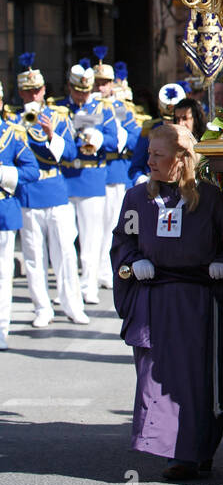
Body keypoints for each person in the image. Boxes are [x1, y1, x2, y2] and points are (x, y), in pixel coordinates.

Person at [111, 123, 223, 479]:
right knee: (157, 377)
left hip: (198, 301)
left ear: (181, 159)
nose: (148, 160)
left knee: (197, 380)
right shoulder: (137, 198)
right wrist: (132, 261)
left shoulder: (213, 198)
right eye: (149, 153)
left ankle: (198, 450)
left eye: (157, 154)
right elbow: (123, 241)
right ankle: (172, 451)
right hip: (154, 300)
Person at [13, 54, 89, 328]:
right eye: (28, 90)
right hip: (30, 193)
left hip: (56, 190)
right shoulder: (13, 120)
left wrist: (51, 134)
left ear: (44, 89)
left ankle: (72, 304)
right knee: (34, 256)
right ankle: (41, 307)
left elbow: (70, 152)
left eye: (38, 89)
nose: (34, 94)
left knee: (65, 252)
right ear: (21, 92)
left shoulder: (58, 115)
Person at [56, 62, 119, 305]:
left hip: (92, 179)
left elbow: (115, 140)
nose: (81, 95)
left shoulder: (102, 109)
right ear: (70, 87)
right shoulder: (60, 108)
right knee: (64, 239)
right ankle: (67, 290)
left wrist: (99, 137)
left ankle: (88, 285)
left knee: (91, 239)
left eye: (85, 90)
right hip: (66, 177)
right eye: (77, 90)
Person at [92, 49, 141, 269]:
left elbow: (133, 138)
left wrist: (109, 139)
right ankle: (96, 270)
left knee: (113, 223)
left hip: (115, 170)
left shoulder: (121, 108)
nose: (100, 87)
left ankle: (108, 268)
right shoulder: (89, 107)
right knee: (93, 228)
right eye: (96, 83)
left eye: (104, 83)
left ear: (111, 84)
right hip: (93, 173)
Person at [0, 85, 40, 349]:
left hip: (2, 209)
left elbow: (32, 170)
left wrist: (3, 174)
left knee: (3, 274)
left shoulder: (12, 134)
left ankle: (1, 329)